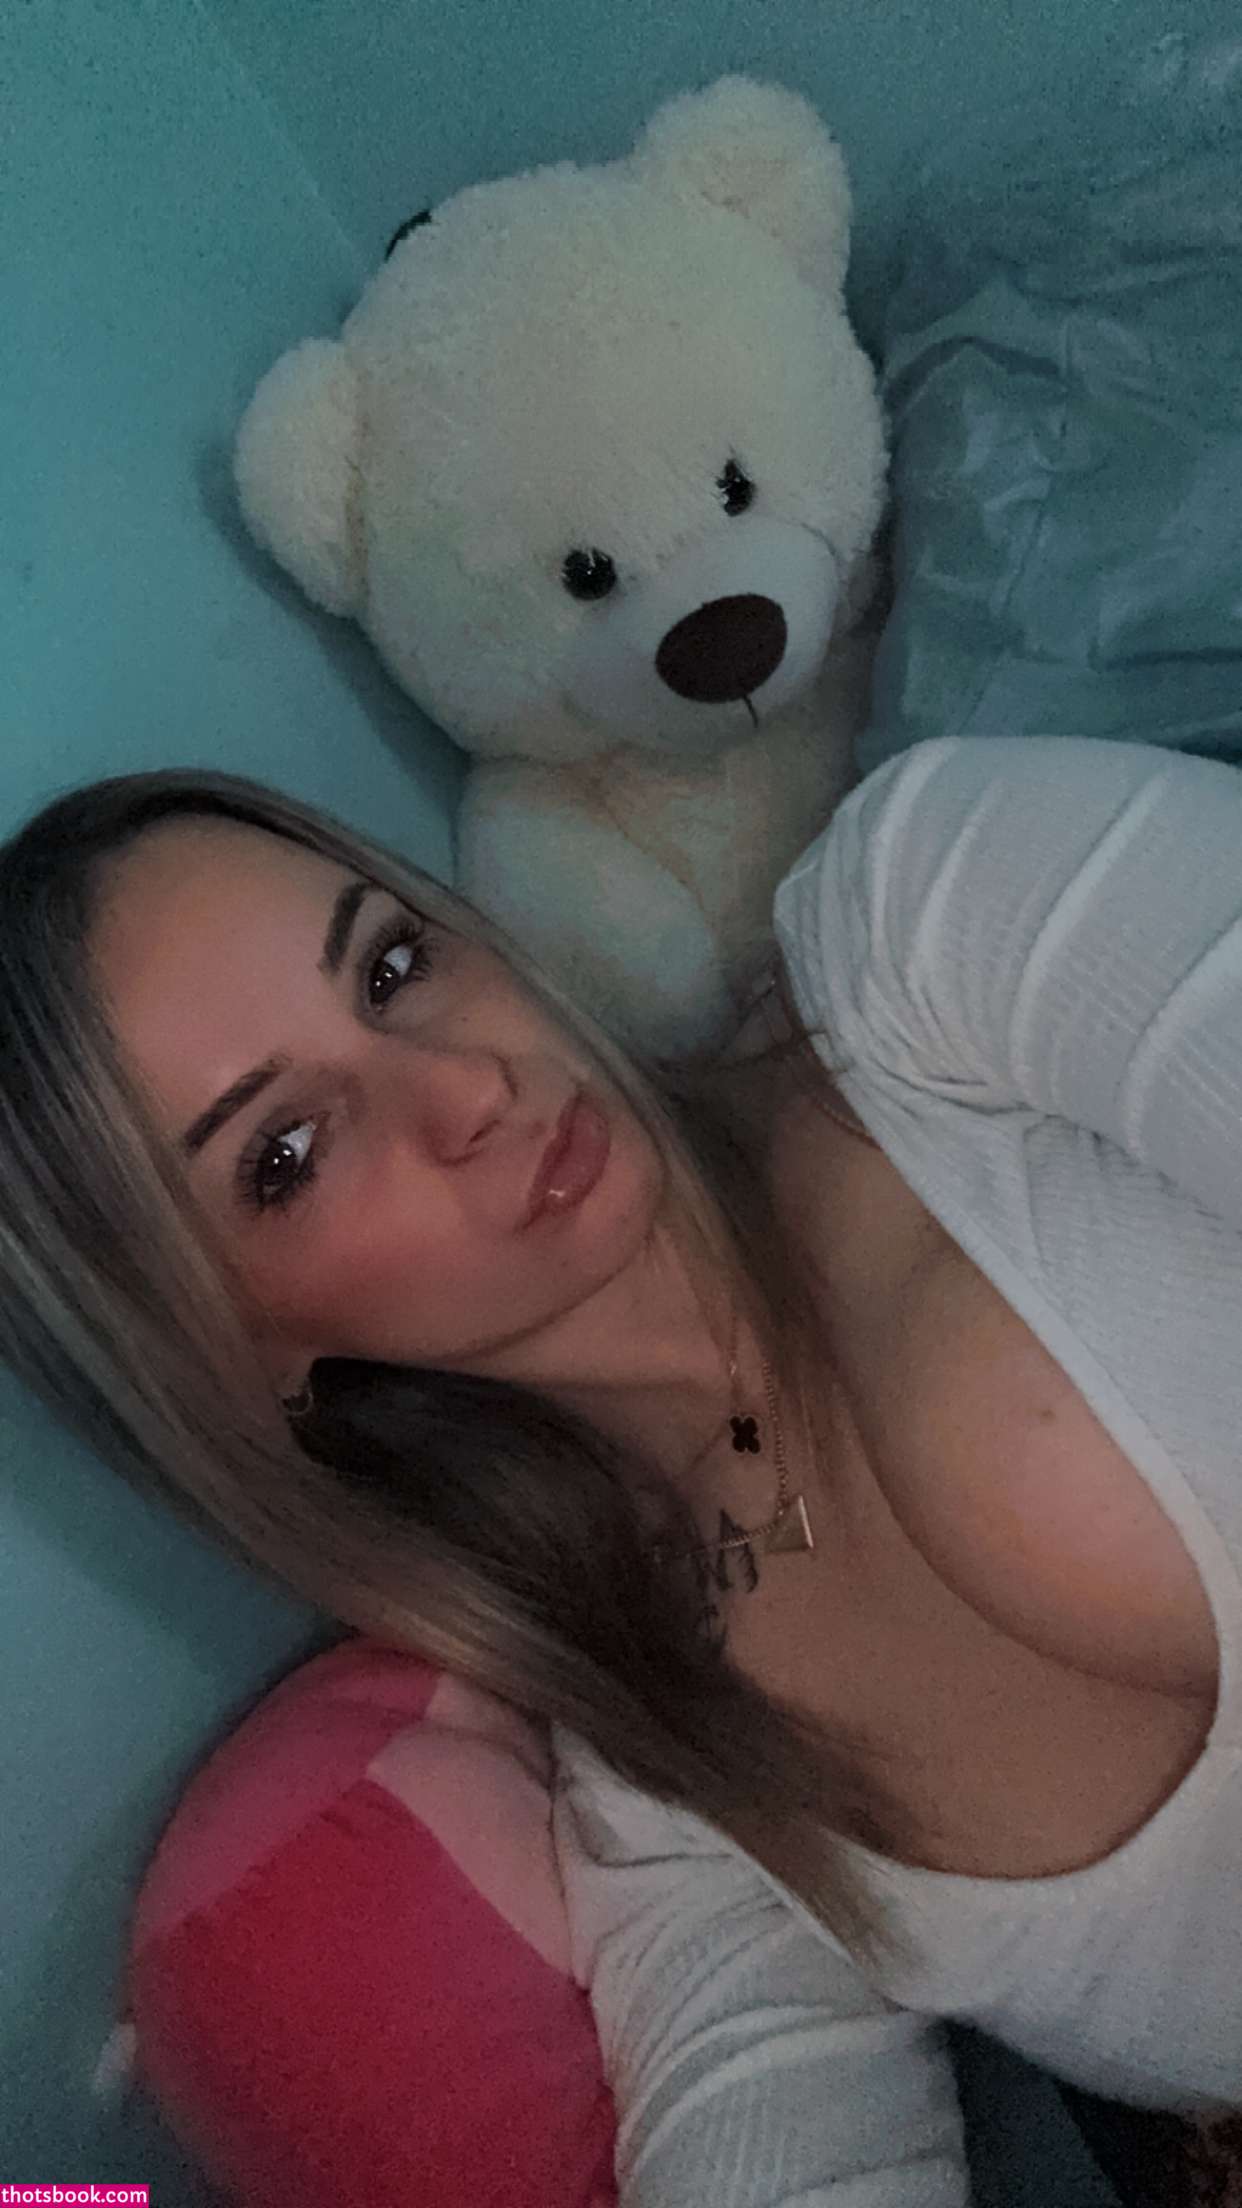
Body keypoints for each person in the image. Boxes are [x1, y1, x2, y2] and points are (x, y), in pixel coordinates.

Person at [1, 734, 1239, 2201]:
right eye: (287, 1153)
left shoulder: (931, 933)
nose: (467, 1087)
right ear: (236, 1361)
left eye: (392, 967)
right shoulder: (667, 1790)